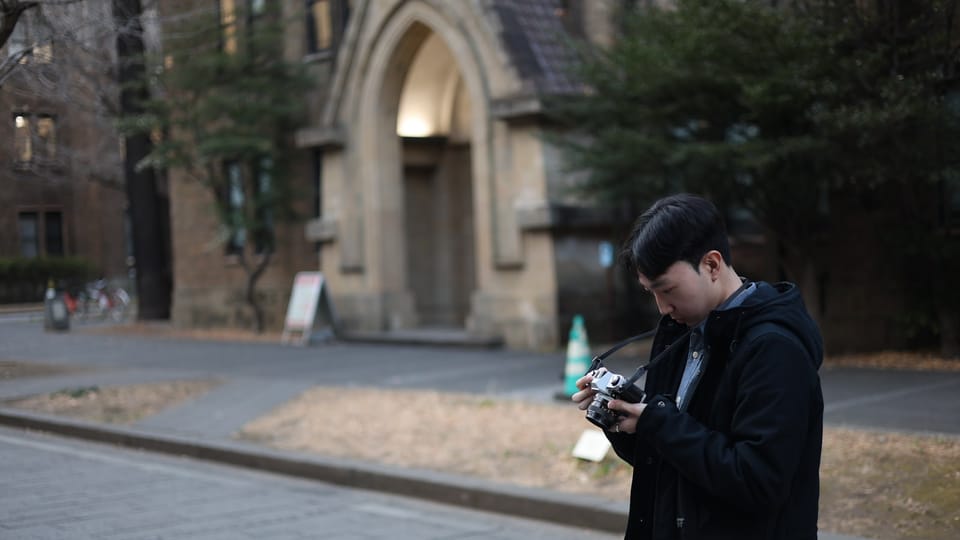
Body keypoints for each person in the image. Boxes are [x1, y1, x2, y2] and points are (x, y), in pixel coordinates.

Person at [572, 193, 824, 540]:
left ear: (712, 265)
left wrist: (658, 422)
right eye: (650, 292)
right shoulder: (682, 332)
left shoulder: (774, 348)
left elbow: (758, 480)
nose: (662, 307)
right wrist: (624, 420)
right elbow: (670, 462)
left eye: (668, 289)